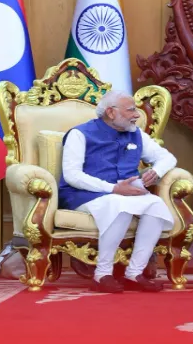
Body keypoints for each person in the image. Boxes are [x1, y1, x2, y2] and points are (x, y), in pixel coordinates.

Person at [58, 90, 176, 293]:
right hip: (83, 195)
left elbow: (168, 158)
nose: (136, 115)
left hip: (124, 193)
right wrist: (113, 189)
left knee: (155, 204)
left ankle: (134, 273)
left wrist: (156, 171)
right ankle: (102, 274)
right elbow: (72, 175)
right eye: (130, 110)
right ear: (111, 113)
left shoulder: (136, 133)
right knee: (118, 205)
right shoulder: (79, 134)